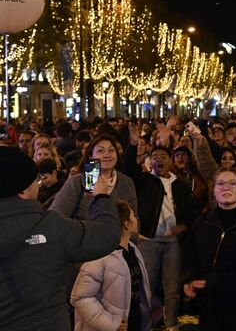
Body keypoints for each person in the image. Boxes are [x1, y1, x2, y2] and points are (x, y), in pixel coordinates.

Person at [0, 146, 121, 330]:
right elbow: (107, 235)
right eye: (37, 181)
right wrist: (102, 197)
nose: (39, 185)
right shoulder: (50, 227)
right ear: (22, 191)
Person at [125, 124, 199, 331]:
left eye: (163, 156)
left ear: (171, 161)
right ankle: (145, 325)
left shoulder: (181, 185)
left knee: (172, 287)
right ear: (150, 162)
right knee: (145, 288)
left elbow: (193, 212)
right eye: (155, 156)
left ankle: (171, 324)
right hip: (148, 240)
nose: (159, 159)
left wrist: (183, 226)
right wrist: (132, 144)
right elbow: (128, 168)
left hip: (173, 244)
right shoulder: (145, 181)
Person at [181, 168, 236, 330]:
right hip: (208, 308)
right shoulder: (203, 221)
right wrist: (188, 279)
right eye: (220, 184)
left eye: (232, 183)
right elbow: (189, 255)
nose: (226, 187)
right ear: (213, 190)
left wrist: (209, 282)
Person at [71, 201, 152, 331]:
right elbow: (80, 297)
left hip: (134, 322)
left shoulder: (133, 250)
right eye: (133, 216)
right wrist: (111, 323)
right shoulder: (99, 256)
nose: (137, 219)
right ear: (126, 224)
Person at [50, 134, 137, 220]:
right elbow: (56, 218)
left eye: (111, 150)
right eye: (100, 151)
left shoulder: (126, 182)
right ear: (90, 156)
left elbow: (134, 220)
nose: (107, 155)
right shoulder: (76, 182)